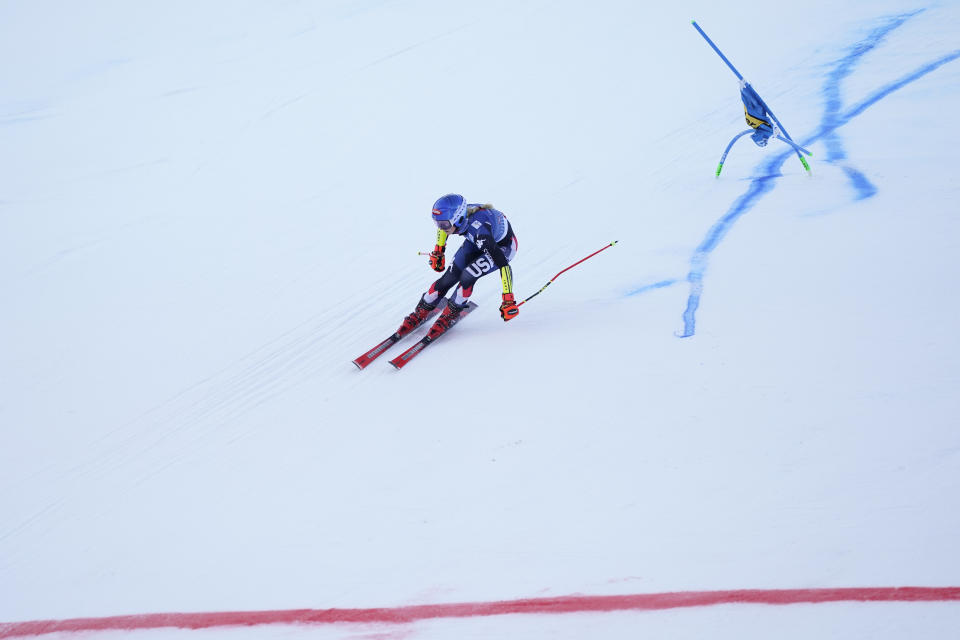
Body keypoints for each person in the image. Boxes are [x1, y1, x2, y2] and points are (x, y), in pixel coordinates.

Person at [401, 194, 519, 339]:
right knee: (448, 278)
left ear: (459, 219)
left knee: (468, 275)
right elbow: (443, 229)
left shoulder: (480, 232)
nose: (441, 228)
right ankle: (421, 311)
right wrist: (439, 251)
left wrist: (508, 299)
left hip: (502, 247)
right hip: (474, 241)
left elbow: (504, 266)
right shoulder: (457, 220)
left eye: (444, 224)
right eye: (437, 223)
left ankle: (450, 314)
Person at [740, 79, 780, 147]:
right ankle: (746, 89)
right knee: (755, 104)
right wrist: (745, 90)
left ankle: (746, 89)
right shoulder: (757, 125)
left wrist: (744, 90)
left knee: (754, 104)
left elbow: (747, 105)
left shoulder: (756, 125)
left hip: (756, 115)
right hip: (757, 115)